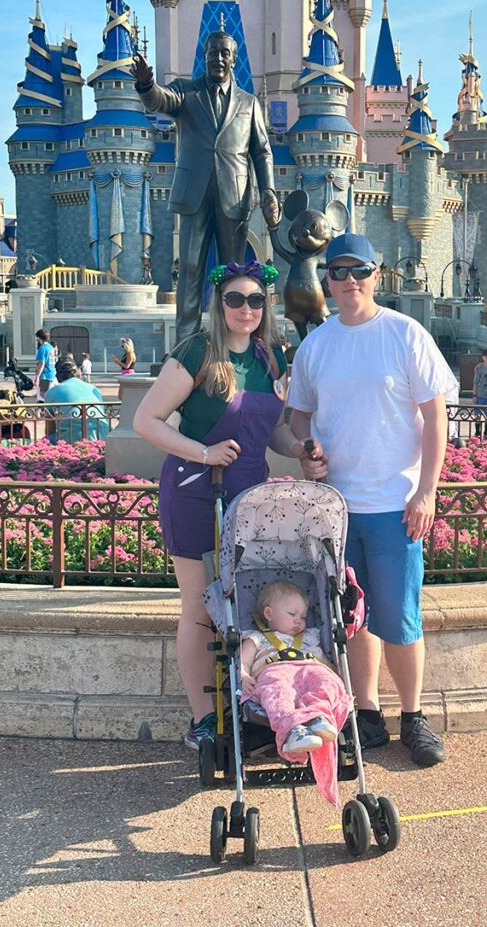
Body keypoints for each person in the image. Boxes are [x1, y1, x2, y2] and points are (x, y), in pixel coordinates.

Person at [288, 233, 458, 768]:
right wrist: (306, 450)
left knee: (400, 617)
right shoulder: (317, 344)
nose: (349, 281)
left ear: (376, 274)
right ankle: (368, 711)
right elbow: (299, 415)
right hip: (337, 509)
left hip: (393, 503)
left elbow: (436, 420)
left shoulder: (405, 334)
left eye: (359, 270)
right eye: (337, 272)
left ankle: (413, 715)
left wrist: (426, 491)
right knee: (353, 618)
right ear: (326, 282)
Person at [133, 259, 310, 750]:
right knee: (198, 608)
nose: (246, 309)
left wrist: (298, 449)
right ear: (220, 303)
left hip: (251, 495)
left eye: (256, 299)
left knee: (245, 602)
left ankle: (249, 703)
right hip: (195, 491)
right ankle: (204, 718)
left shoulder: (273, 357)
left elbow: (269, 428)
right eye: (235, 299)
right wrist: (203, 453)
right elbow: (149, 420)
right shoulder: (197, 353)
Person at [131, 33, 281, 343]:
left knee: (233, 273)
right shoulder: (187, 92)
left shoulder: (249, 103)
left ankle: (229, 339)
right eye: (213, 52)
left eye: (225, 53)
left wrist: (269, 190)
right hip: (194, 195)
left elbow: (262, 151)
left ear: (233, 59)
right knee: (189, 268)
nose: (218, 58)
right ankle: (185, 344)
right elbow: (161, 100)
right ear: (205, 55)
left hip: (235, 197)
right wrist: (147, 85)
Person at [240, 580, 351, 806]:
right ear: (269, 614)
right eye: (292, 614)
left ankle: (319, 717)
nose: (299, 621)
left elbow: (328, 658)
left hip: (311, 668)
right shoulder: (256, 638)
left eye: (302, 615)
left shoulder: (312, 634)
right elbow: (242, 662)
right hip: (274, 669)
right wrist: (243, 676)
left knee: (327, 683)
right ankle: (293, 730)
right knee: (278, 692)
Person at [43, 360, 109, 443]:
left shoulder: (51, 392)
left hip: (71, 437)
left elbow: (50, 428)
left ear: (58, 376)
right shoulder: (94, 389)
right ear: (78, 373)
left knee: (47, 440)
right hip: (102, 434)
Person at [33, 328, 57, 402]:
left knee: (42, 396)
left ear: (40, 338)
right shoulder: (50, 347)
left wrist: (37, 376)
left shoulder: (42, 348)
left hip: (45, 375)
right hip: (51, 374)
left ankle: (46, 412)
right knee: (47, 395)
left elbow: (41, 363)